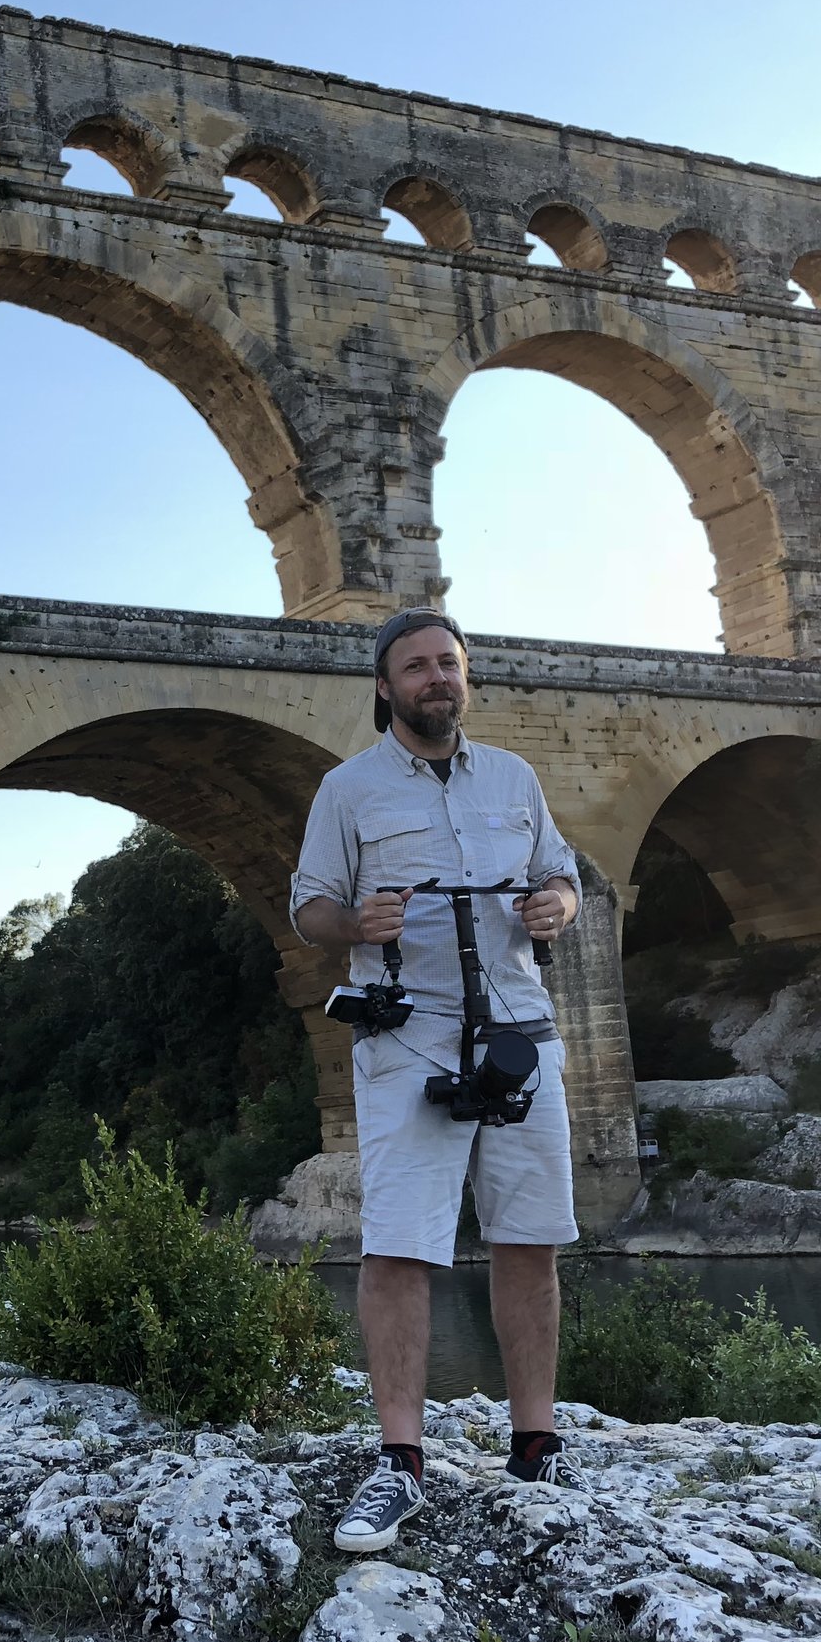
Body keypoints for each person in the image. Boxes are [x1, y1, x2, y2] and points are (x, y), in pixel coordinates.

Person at [290, 607, 583, 1553]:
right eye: (416, 667)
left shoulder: (515, 777)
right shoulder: (347, 789)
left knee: (529, 1237)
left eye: (448, 663)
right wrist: (354, 925)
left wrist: (559, 904)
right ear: (385, 686)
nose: (436, 679)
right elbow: (307, 908)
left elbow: (565, 875)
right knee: (402, 1247)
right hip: (407, 1038)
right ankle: (399, 1463)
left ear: (467, 676)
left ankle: (535, 1443)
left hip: (518, 1034)